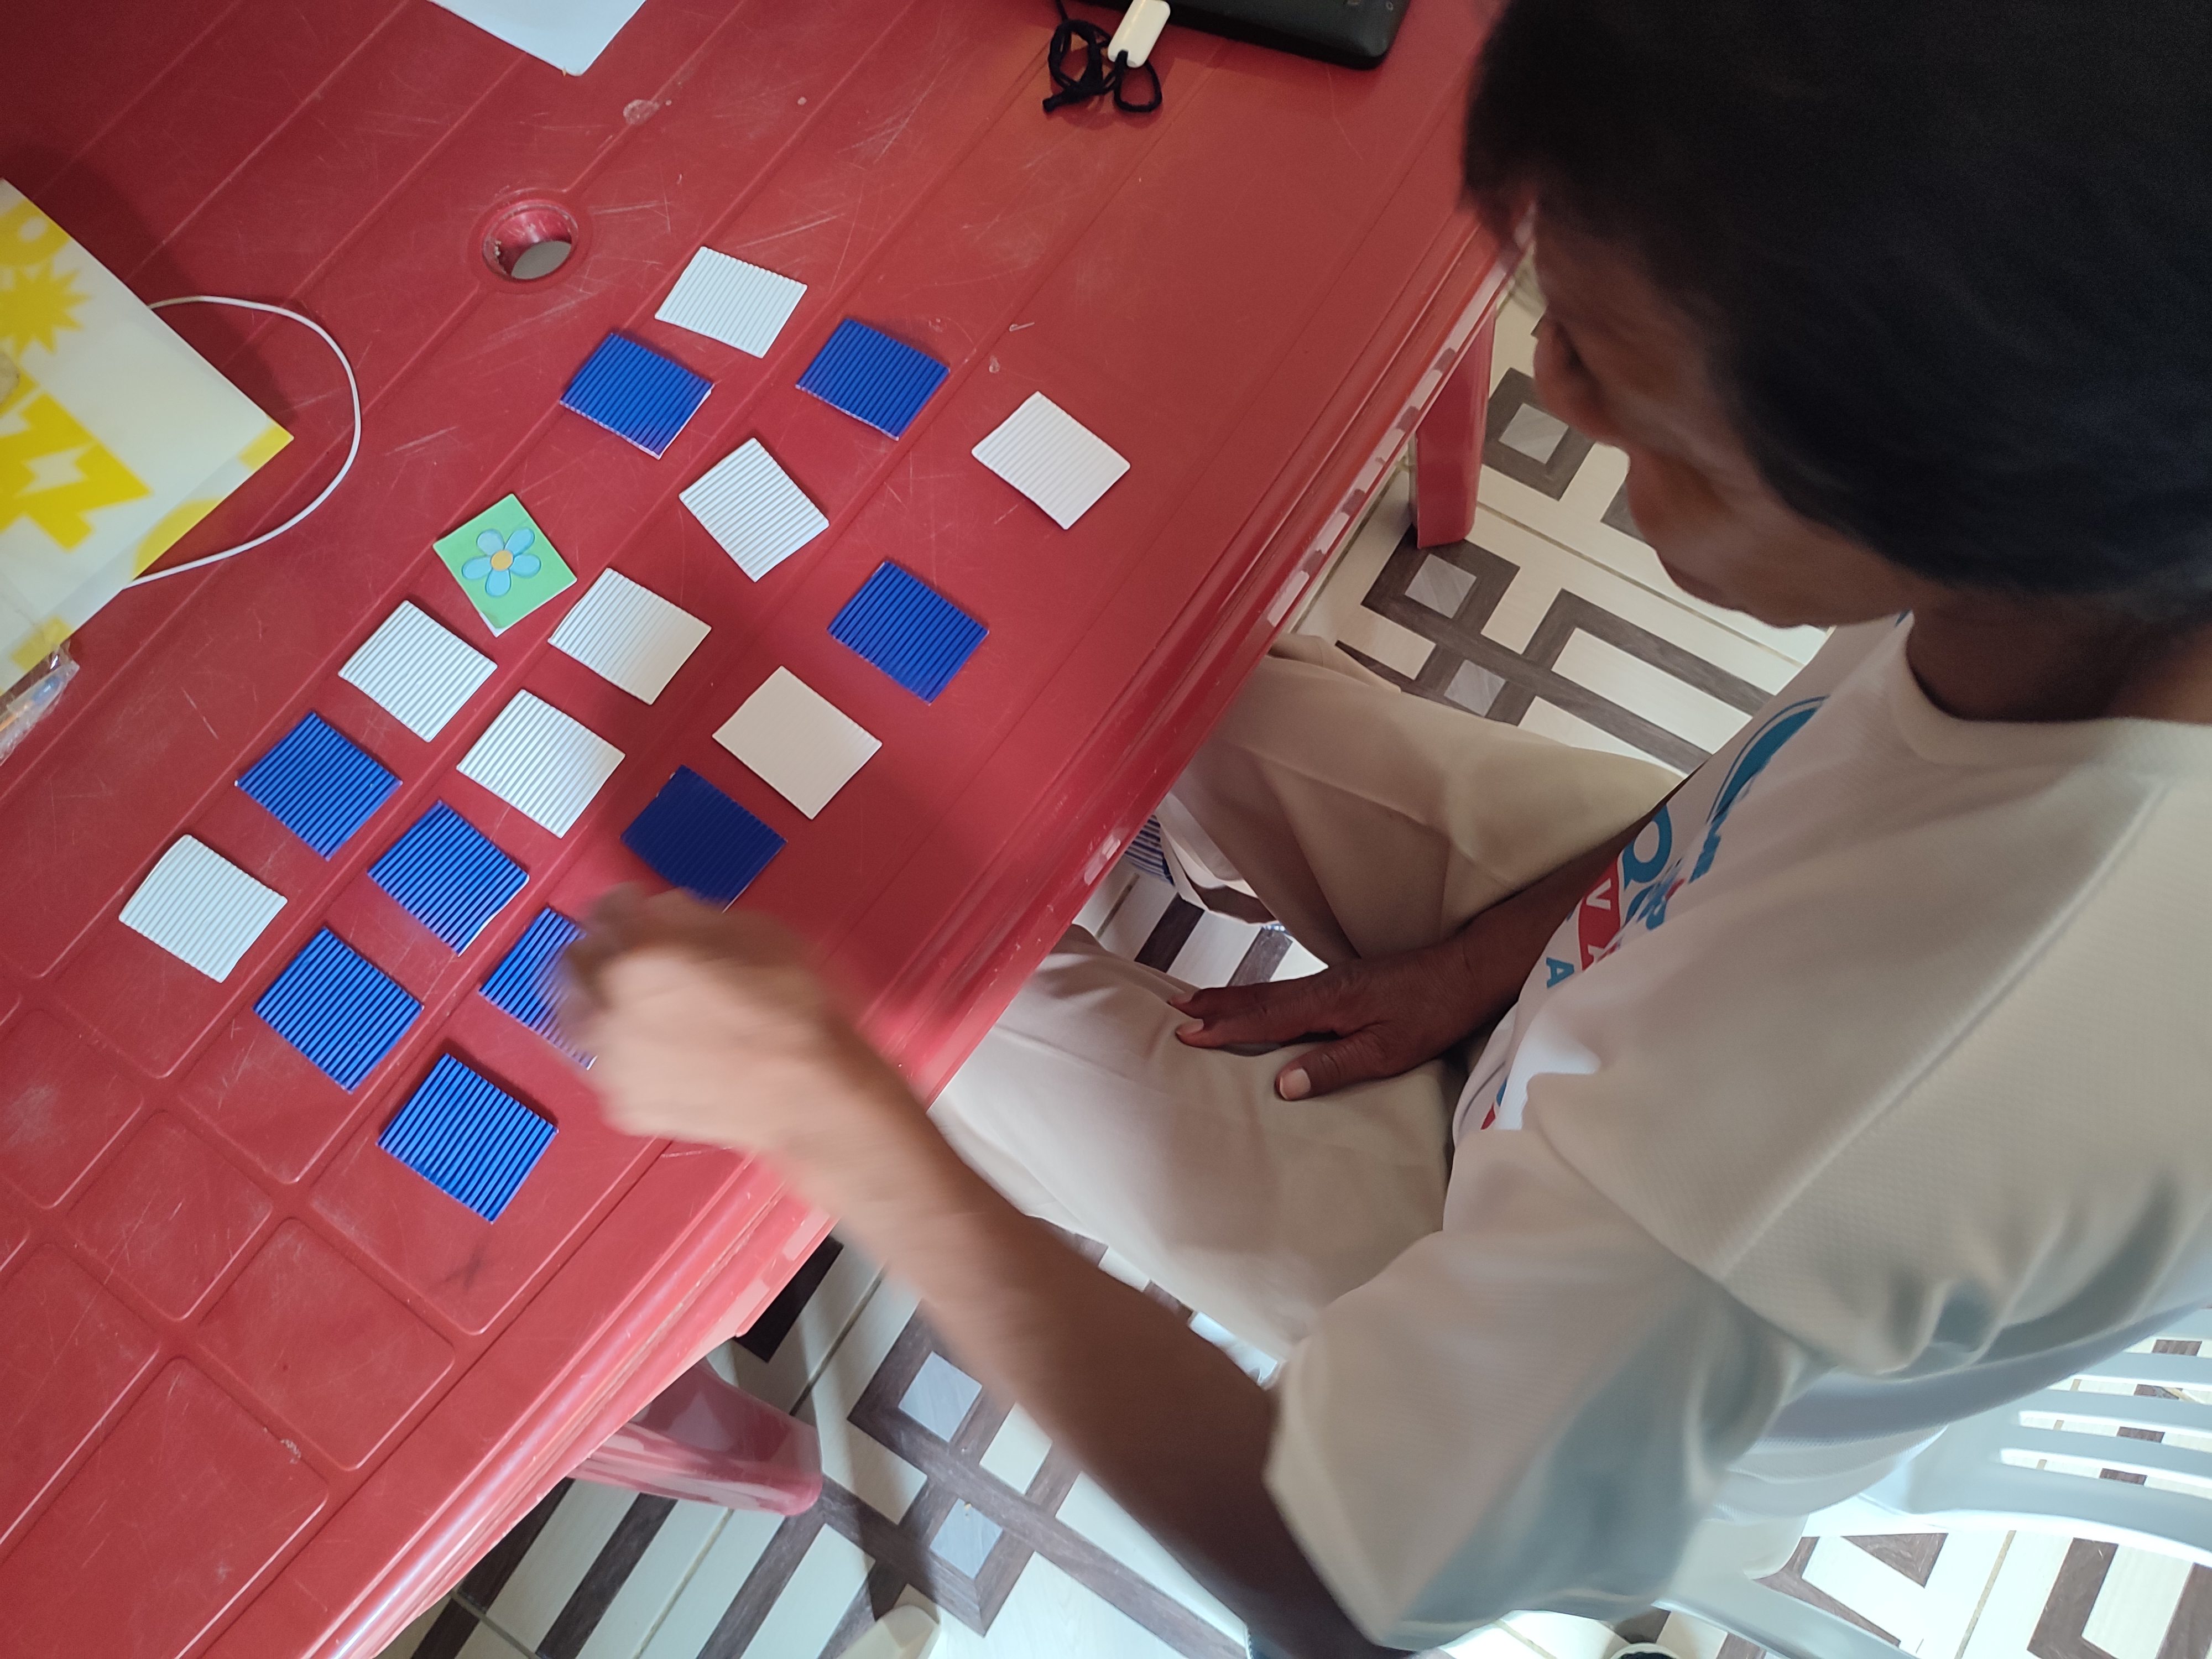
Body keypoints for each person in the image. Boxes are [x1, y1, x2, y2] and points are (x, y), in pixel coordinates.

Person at [559, 1, 2212, 1652]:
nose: (1553, 387)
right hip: (1653, 961)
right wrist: (1492, 958)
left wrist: (831, 1115)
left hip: (1572, 1319)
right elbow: (1792, 810)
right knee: (1164, 682)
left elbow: (1334, 1586)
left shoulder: (1789, 1167)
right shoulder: (2112, 524)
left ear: (1937, 495)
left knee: (906, 996)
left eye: (1631, 397)